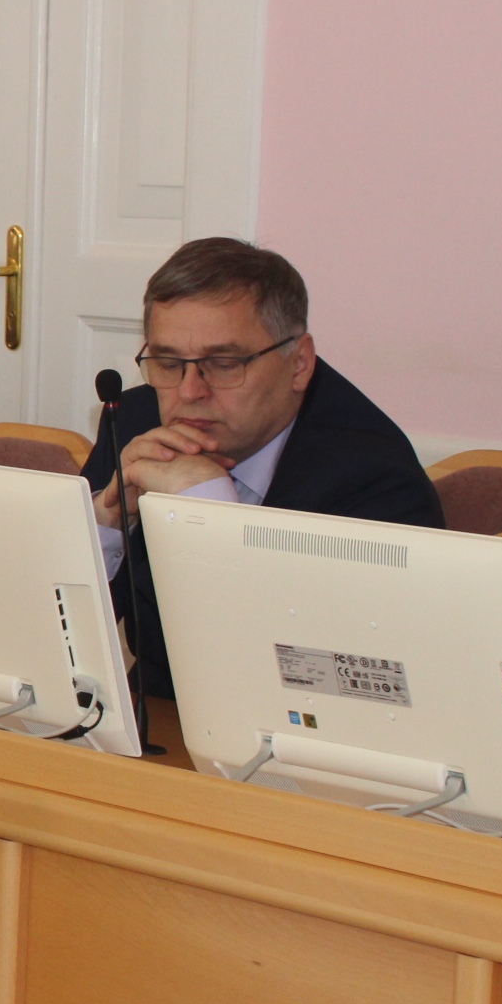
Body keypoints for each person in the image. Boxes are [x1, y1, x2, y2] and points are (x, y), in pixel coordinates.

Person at [82, 237, 442, 700]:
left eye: (223, 363)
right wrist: (109, 521)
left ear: (299, 363)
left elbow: (324, 680)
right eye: (169, 363)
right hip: (159, 710)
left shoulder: (376, 479)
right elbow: (60, 639)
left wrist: (210, 509)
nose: (189, 392)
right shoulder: (134, 422)